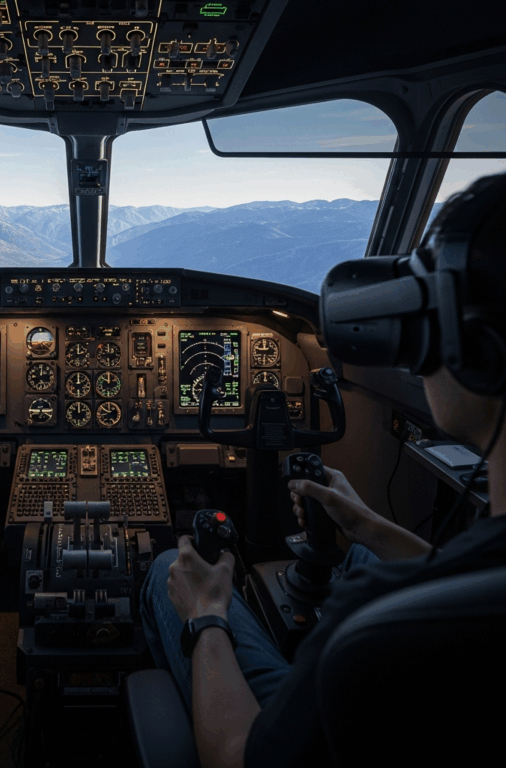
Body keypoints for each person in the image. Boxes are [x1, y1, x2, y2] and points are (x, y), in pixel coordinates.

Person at [138, 174, 506, 768]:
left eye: (431, 326)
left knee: (166, 570)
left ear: (480, 354)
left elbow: (241, 757)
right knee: (351, 552)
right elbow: (472, 574)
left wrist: (206, 615)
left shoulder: (378, 626)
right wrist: (367, 526)